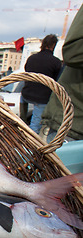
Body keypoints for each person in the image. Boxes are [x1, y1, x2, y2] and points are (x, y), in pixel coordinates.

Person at [42, 5, 83, 142]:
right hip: (72, 123)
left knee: (33, 124)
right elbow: (73, 52)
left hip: (47, 98)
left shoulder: (32, 59)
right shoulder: (54, 61)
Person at [21, 34, 62, 134]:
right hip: (41, 98)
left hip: (26, 94)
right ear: (53, 45)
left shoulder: (31, 58)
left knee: (21, 121)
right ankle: (29, 147)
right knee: (34, 127)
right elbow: (57, 81)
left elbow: (27, 73)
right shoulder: (55, 62)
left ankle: (21, 126)